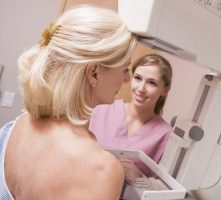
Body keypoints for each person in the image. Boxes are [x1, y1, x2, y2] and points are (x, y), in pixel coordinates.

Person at [0, 5, 136, 200]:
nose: (127, 79)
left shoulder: (17, 126)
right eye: (124, 69)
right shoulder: (102, 171)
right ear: (94, 72)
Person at [89, 54, 173, 164]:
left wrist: (136, 174)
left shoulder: (165, 134)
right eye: (138, 78)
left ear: (165, 90)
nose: (141, 89)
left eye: (152, 83)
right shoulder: (101, 109)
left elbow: (157, 179)